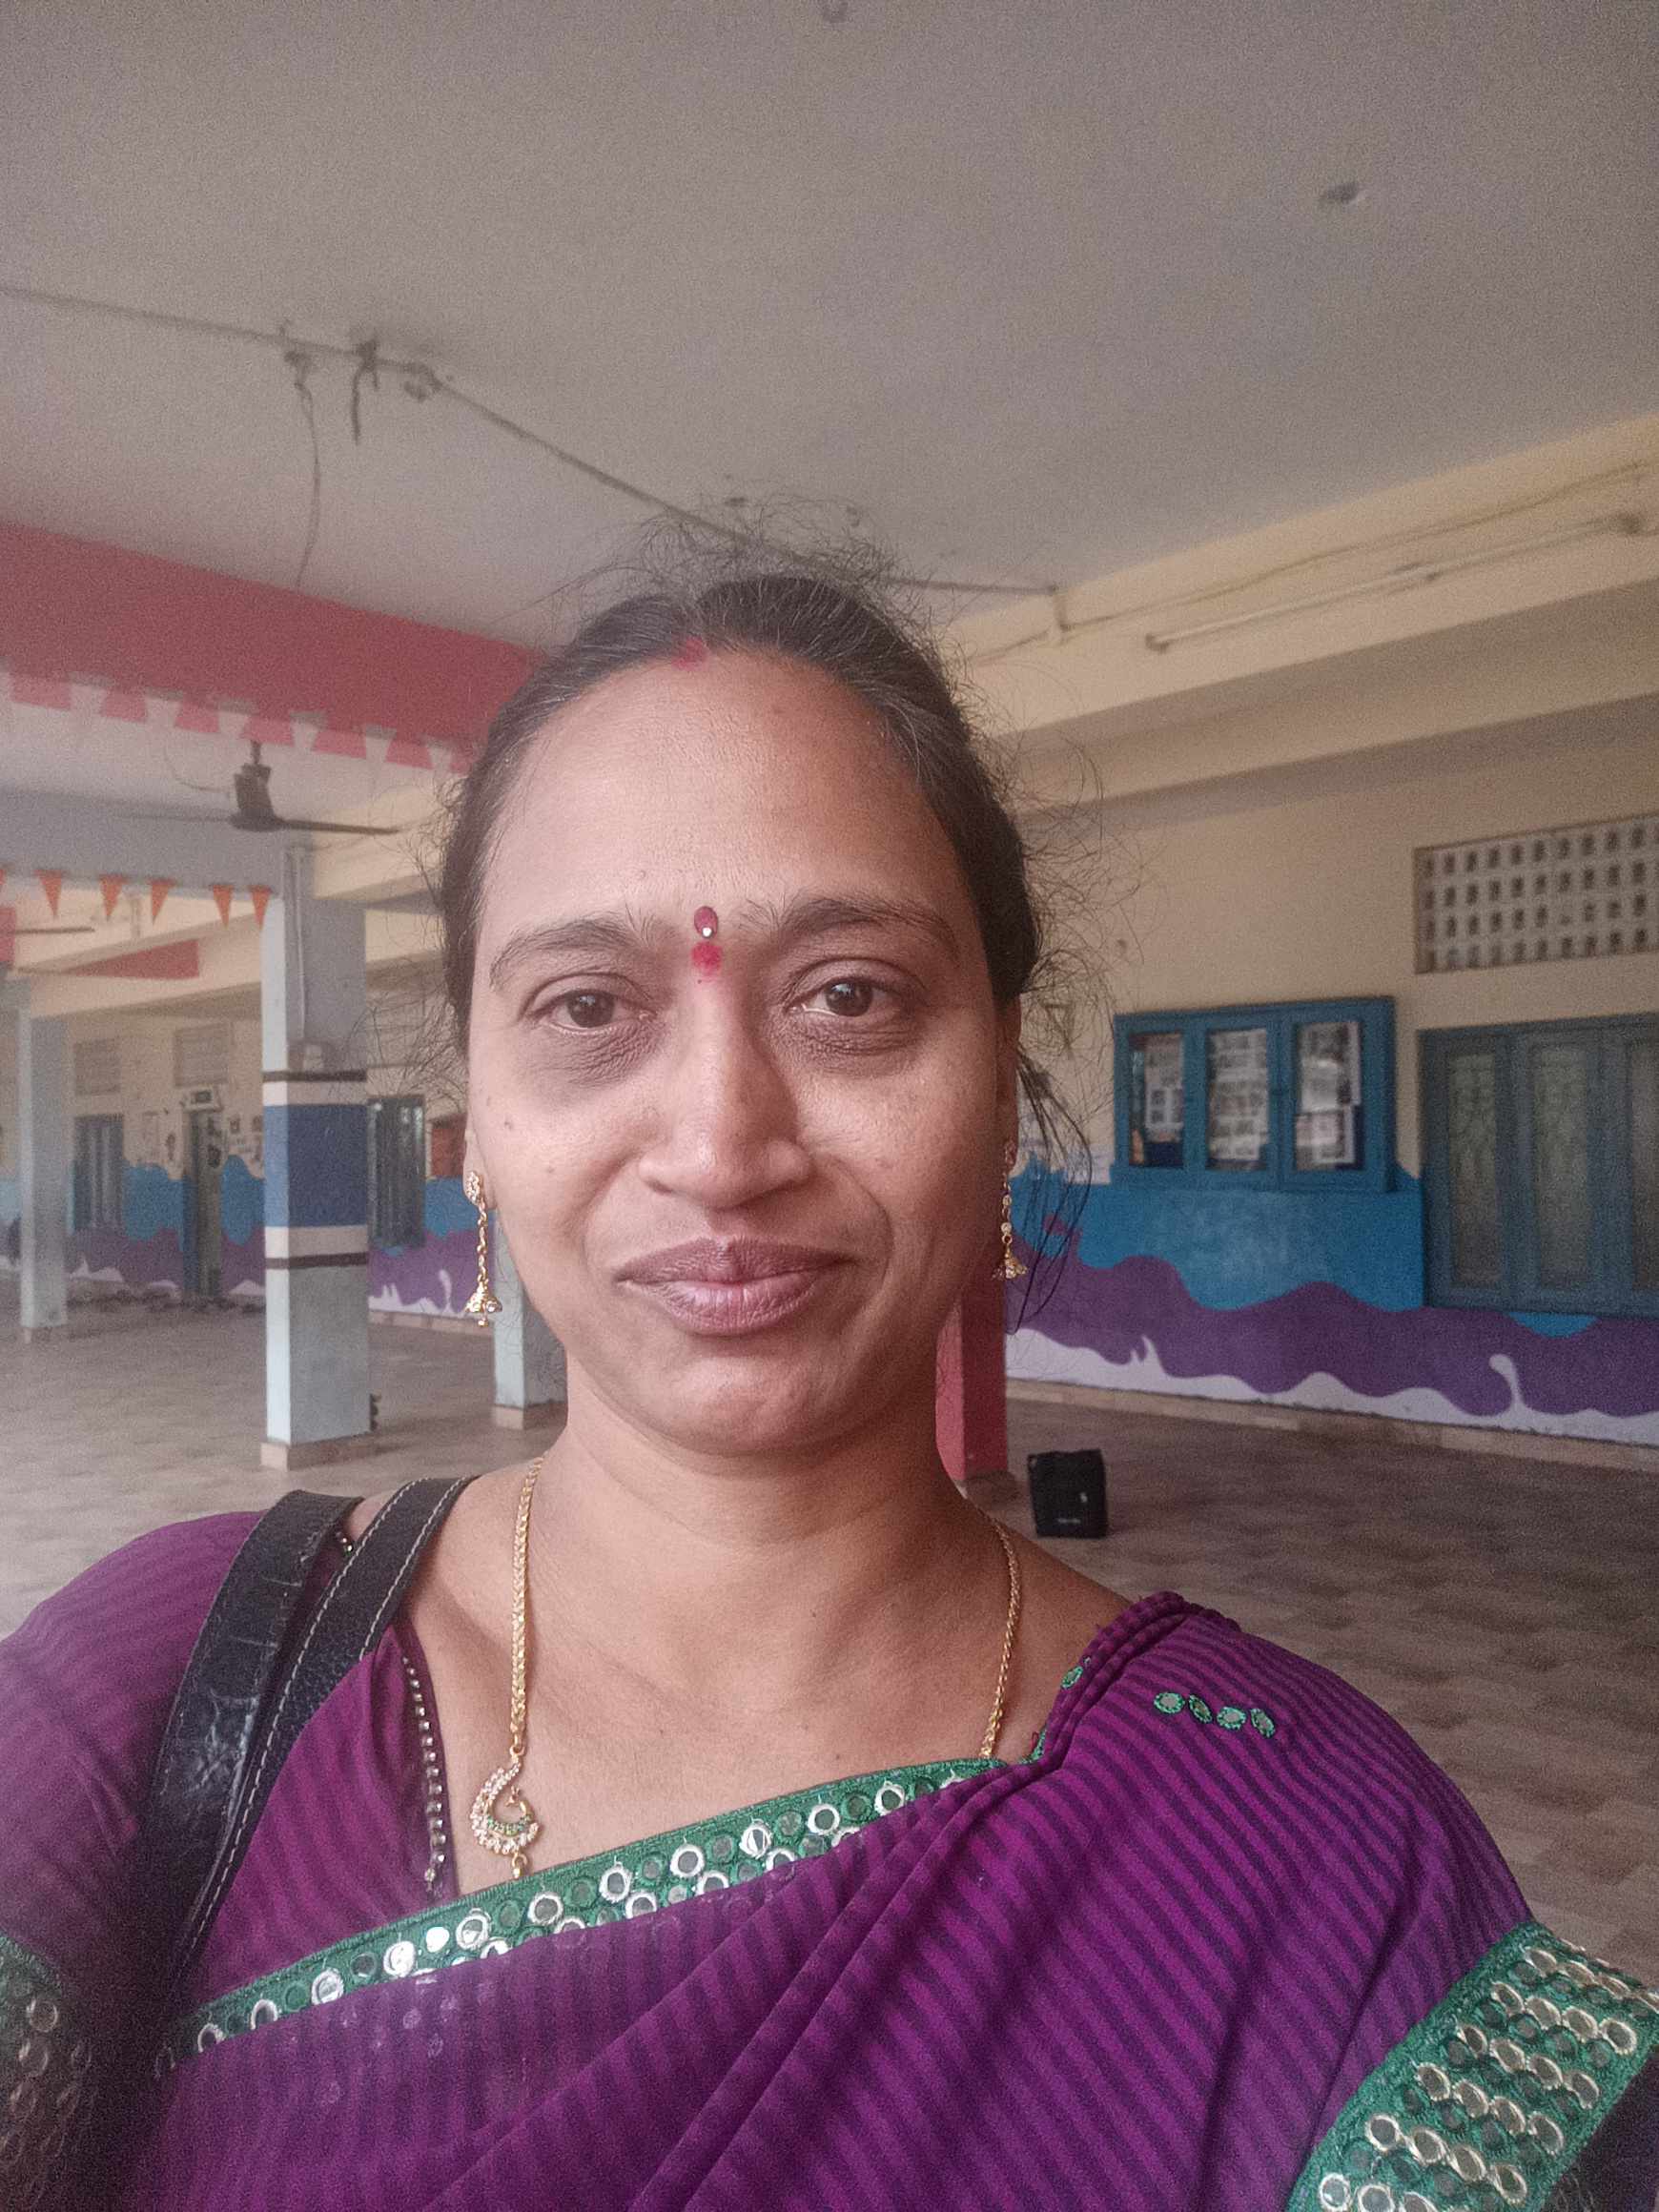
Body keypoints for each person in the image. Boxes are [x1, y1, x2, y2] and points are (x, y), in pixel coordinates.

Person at [2, 557, 1654, 2211]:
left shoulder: (1305, 1856)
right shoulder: (172, 1687)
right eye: (587, 1006)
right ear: (479, 1120)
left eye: (851, 996)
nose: (723, 1146)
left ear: (1001, 1086)